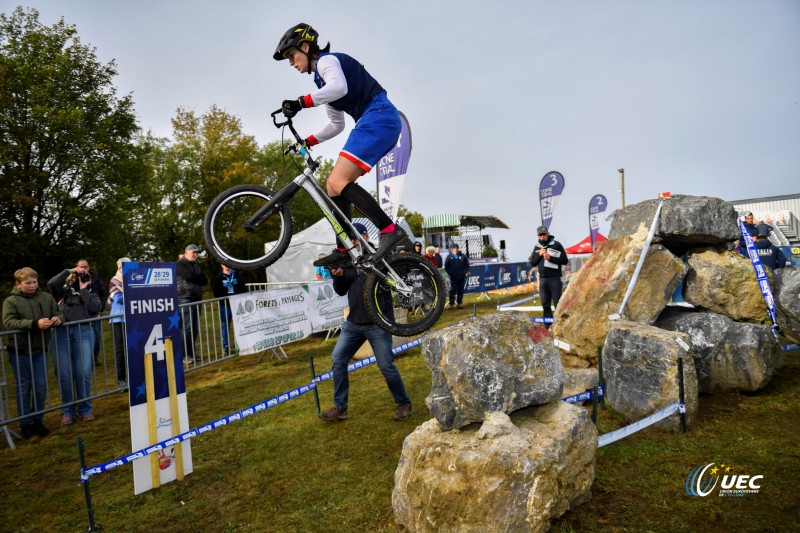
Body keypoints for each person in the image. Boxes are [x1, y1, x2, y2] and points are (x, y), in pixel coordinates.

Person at [274, 23, 408, 269]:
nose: (291, 63)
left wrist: (301, 103)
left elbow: (340, 88)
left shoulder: (327, 62)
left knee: (337, 182)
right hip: (376, 120)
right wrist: (309, 141)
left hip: (378, 115)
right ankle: (344, 247)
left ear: (305, 47)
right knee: (333, 187)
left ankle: (389, 230)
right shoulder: (321, 82)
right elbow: (335, 124)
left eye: (292, 56)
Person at [318, 223, 412, 422]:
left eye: (356, 238)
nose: (352, 242)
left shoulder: (380, 257)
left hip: (378, 323)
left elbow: (395, 279)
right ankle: (340, 407)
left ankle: (403, 403)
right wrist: (338, 277)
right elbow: (341, 291)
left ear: (365, 237)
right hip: (353, 323)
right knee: (338, 360)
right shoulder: (346, 260)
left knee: (386, 365)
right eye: (350, 239)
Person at [2, 268, 63, 439]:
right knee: (23, 387)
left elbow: (57, 313)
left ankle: (38, 420)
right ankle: (25, 423)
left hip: (40, 349)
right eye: (27, 283)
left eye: (34, 282)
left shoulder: (46, 297)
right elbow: (9, 322)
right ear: (18, 284)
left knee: (41, 386)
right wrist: (34, 323)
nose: (32, 285)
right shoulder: (11, 301)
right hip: (20, 351)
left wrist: (58, 319)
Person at [48, 263, 102, 425]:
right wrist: (70, 271)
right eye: (80, 275)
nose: (83, 277)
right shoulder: (62, 290)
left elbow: (95, 307)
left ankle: (86, 409)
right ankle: (67, 412)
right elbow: (51, 283)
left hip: (84, 332)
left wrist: (84, 289)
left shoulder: (91, 291)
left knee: (83, 373)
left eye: (86, 275)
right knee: (64, 374)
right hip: (61, 333)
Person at [529, 225, 569, 326]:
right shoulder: (537, 247)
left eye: (544, 234)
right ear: (538, 236)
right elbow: (533, 263)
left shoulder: (557, 245)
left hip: (555, 279)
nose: (542, 237)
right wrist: (539, 255)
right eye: (540, 235)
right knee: (545, 305)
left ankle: (560, 327)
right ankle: (548, 328)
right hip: (543, 280)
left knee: (558, 304)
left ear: (548, 234)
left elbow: (565, 260)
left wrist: (550, 258)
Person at [177, 244, 208, 364]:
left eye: (197, 252)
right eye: (193, 252)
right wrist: (197, 277)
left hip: (197, 298)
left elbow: (205, 280)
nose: (195, 254)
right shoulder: (179, 264)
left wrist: (196, 277)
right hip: (185, 298)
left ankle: (191, 352)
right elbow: (188, 276)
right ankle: (185, 355)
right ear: (186, 252)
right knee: (187, 328)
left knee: (194, 328)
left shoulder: (196, 265)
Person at [75, 259, 107, 366]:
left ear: (89, 267)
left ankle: (94, 358)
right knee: (82, 338)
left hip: (95, 311)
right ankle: (84, 360)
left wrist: (100, 309)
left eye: (85, 267)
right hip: (81, 313)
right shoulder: (74, 278)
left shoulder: (95, 277)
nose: (84, 269)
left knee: (96, 336)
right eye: (81, 267)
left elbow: (103, 293)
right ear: (77, 268)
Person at [211, 263, 246, 356]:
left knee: (239, 325)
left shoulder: (237, 276)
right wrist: (225, 300)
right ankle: (226, 346)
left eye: (228, 263)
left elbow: (243, 289)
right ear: (221, 265)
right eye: (224, 264)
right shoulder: (218, 278)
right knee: (225, 325)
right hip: (225, 305)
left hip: (237, 305)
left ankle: (240, 344)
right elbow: (216, 292)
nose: (227, 265)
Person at [107, 257, 131, 389]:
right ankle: (121, 379)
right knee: (120, 350)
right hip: (118, 319)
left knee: (132, 349)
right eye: (124, 266)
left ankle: (132, 376)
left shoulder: (133, 278)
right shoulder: (114, 281)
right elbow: (118, 299)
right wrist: (133, 292)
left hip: (132, 319)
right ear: (119, 268)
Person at [444, 244, 470, 310]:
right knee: (452, 291)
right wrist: (451, 273)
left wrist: (464, 272)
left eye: (457, 248)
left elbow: (467, 266)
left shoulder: (463, 256)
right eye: (454, 248)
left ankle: (459, 303)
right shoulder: (449, 257)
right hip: (453, 277)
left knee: (460, 290)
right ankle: (451, 304)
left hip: (461, 277)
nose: (456, 249)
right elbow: (446, 267)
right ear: (451, 249)